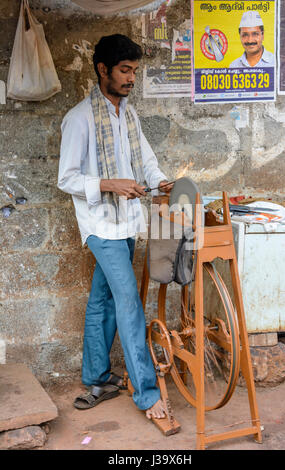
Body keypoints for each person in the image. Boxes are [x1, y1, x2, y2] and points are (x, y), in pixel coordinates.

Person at [57, 34, 173, 419]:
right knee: (128, 302)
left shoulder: (129, 115)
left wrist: (161, 182)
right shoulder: (79, 119)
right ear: (103, 70)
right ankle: (147, 394)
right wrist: (109, 184)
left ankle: (97, 378)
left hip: (127, 223)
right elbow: (67, 178)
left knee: (102, 300)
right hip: (100, 225)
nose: (130, 79)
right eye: (125, 70)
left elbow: (147, 162)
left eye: (134, 72)